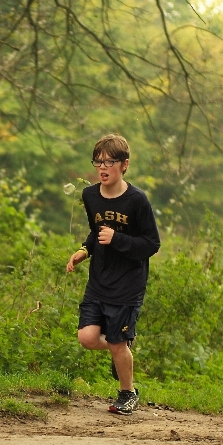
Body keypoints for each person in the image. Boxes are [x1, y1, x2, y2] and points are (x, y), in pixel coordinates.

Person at [66, 134, 161, 415]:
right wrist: (84, 250)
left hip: (127, 285)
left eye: (109, 161)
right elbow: (96, 232)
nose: (102, 167)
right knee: (86, 337)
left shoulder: (137, 201)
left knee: (118, 344)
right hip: (98, 281)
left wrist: (118, 239)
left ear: (124, 164)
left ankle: (127, 392)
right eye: (98, 162)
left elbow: (152, 244)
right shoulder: (90, 195)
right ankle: (123, 350)